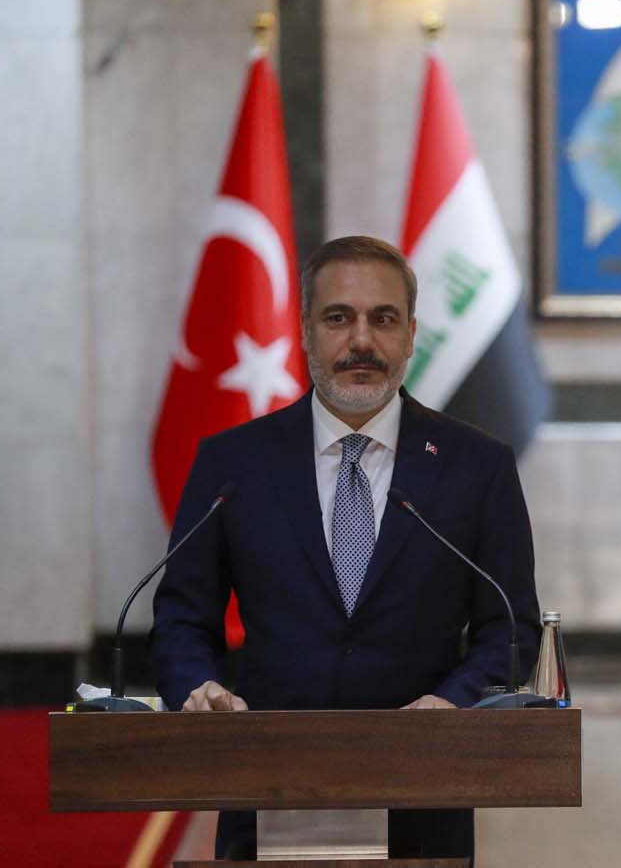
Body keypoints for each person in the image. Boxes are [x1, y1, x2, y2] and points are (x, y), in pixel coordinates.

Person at [150, 235, 542, 861]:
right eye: (339, 318)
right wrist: (197, 687)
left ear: (411, 334)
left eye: (382, 319)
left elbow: (511, 629)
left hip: (424, 791)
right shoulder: (232, 464)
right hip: (265, 784)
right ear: (305, 330)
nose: (361, 340)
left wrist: (454, 701)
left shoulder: (477, 467)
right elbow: (179, 619)